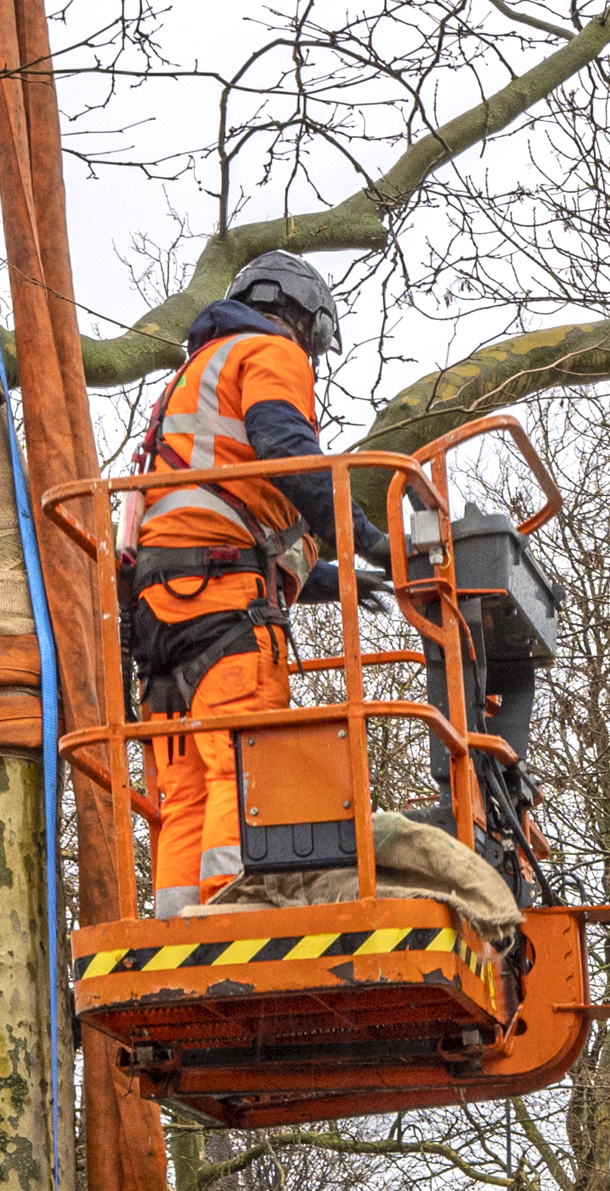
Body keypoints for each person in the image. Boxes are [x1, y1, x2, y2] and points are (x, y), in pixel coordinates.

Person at [126, 250, 400, 917]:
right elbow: (286, 453)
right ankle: (232, 907)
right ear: (303, 315)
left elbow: (220, 498)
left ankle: (174, 922)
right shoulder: (270, 354)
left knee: (183, 781)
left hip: (161, 603)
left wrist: (332, 579)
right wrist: (368, 539)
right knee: (240, 761)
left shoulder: (194, 374)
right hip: (222, 593)